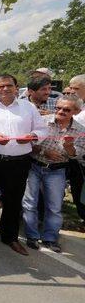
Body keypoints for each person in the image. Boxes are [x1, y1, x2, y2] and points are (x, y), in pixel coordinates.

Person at [0, 74, 48, 256]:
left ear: (16, 87)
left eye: (9, 86)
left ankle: (10, 237)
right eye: (1, 86)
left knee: (13, 200)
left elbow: (42, 129)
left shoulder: (28, 107)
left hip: (18, 162)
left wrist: (32, 136)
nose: (5, 89)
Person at [22, 96, 85, 253]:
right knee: (30, 203)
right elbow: (28, 143)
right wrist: (44, 151)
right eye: (58, 108)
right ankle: (32, 236)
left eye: (66, 109)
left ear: (76, 111)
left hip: (57, 170)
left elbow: (76, 155)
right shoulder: (42, 122)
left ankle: (50, 239)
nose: (61, 111)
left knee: (54, 206)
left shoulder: (80, 130)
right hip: (35, 166)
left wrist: (69, 147)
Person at [68, 74, 85, 226]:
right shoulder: (75, 108)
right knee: (78, 193)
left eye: (76, 88)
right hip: (75, 160)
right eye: (70, 87)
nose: (72, 91)